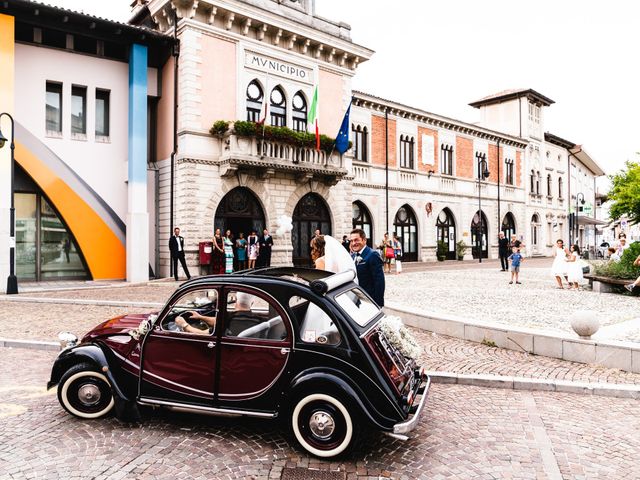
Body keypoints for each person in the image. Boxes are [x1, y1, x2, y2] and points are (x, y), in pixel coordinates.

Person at [350, 228, 385, 306]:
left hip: (369, 300)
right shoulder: (352, 256)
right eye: (351, 241)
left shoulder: (373, 255)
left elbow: (379, 281)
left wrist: (378, 304)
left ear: (364, 240)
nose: (353, 243)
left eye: (356, 240)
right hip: (356, 300)